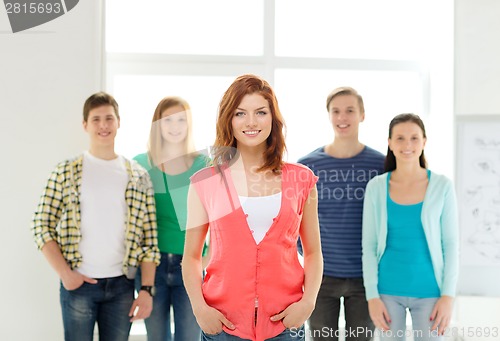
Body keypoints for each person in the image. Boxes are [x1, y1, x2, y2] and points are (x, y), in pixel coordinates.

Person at [182, 74, 323, 341]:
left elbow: (313, 252)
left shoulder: (302, 179)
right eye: (240, 113)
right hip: (223, 325)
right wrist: (200, 309)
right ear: (229, 120)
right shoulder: (205, 182)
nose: (251, 122)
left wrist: (308, 303)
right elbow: (191, 256)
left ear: (273, 119)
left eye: (260, 112)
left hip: (285, 325)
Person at [31, 92, 160, 341]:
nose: (103, 125)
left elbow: (149, 240)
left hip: (122, 286)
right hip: (79, 286)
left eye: (109, 118)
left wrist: (146, 290)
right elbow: (41, 224)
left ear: (119, 122)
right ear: (85, 125)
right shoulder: (66, 171)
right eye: (96, 119)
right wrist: (66, 274)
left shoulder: (138, 175)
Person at [362, 113, 459, 340]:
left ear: (424, 141)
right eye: (400, 138)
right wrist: (372, 296)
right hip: (386, 292)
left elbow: (451, 245)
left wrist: (448, 296)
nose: (408, 145)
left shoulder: (442, 186)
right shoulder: (376, 187)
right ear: (390, 143)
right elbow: (369, 245)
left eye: (414, 138)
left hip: (431, 293)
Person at [297, 87, 384, 340]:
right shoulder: (308, 166)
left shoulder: (380, 164)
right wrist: (306, 254)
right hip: (321, 279)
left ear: (362, 115)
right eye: (336, 111)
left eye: (349, 111)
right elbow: (295, 219)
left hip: (365, 278)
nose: (342, 117)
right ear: (329, 116)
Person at [134, 96, 209, 341]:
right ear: (157, 124)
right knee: (156, 337)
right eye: (168, 120)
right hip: (149, 268)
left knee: (189, 337)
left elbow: (219, 220)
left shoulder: (203, 165)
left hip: (192, 264)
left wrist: (206, 261)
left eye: (181, 120)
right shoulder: (140, 165)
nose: (175, 126)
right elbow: (133, 221)